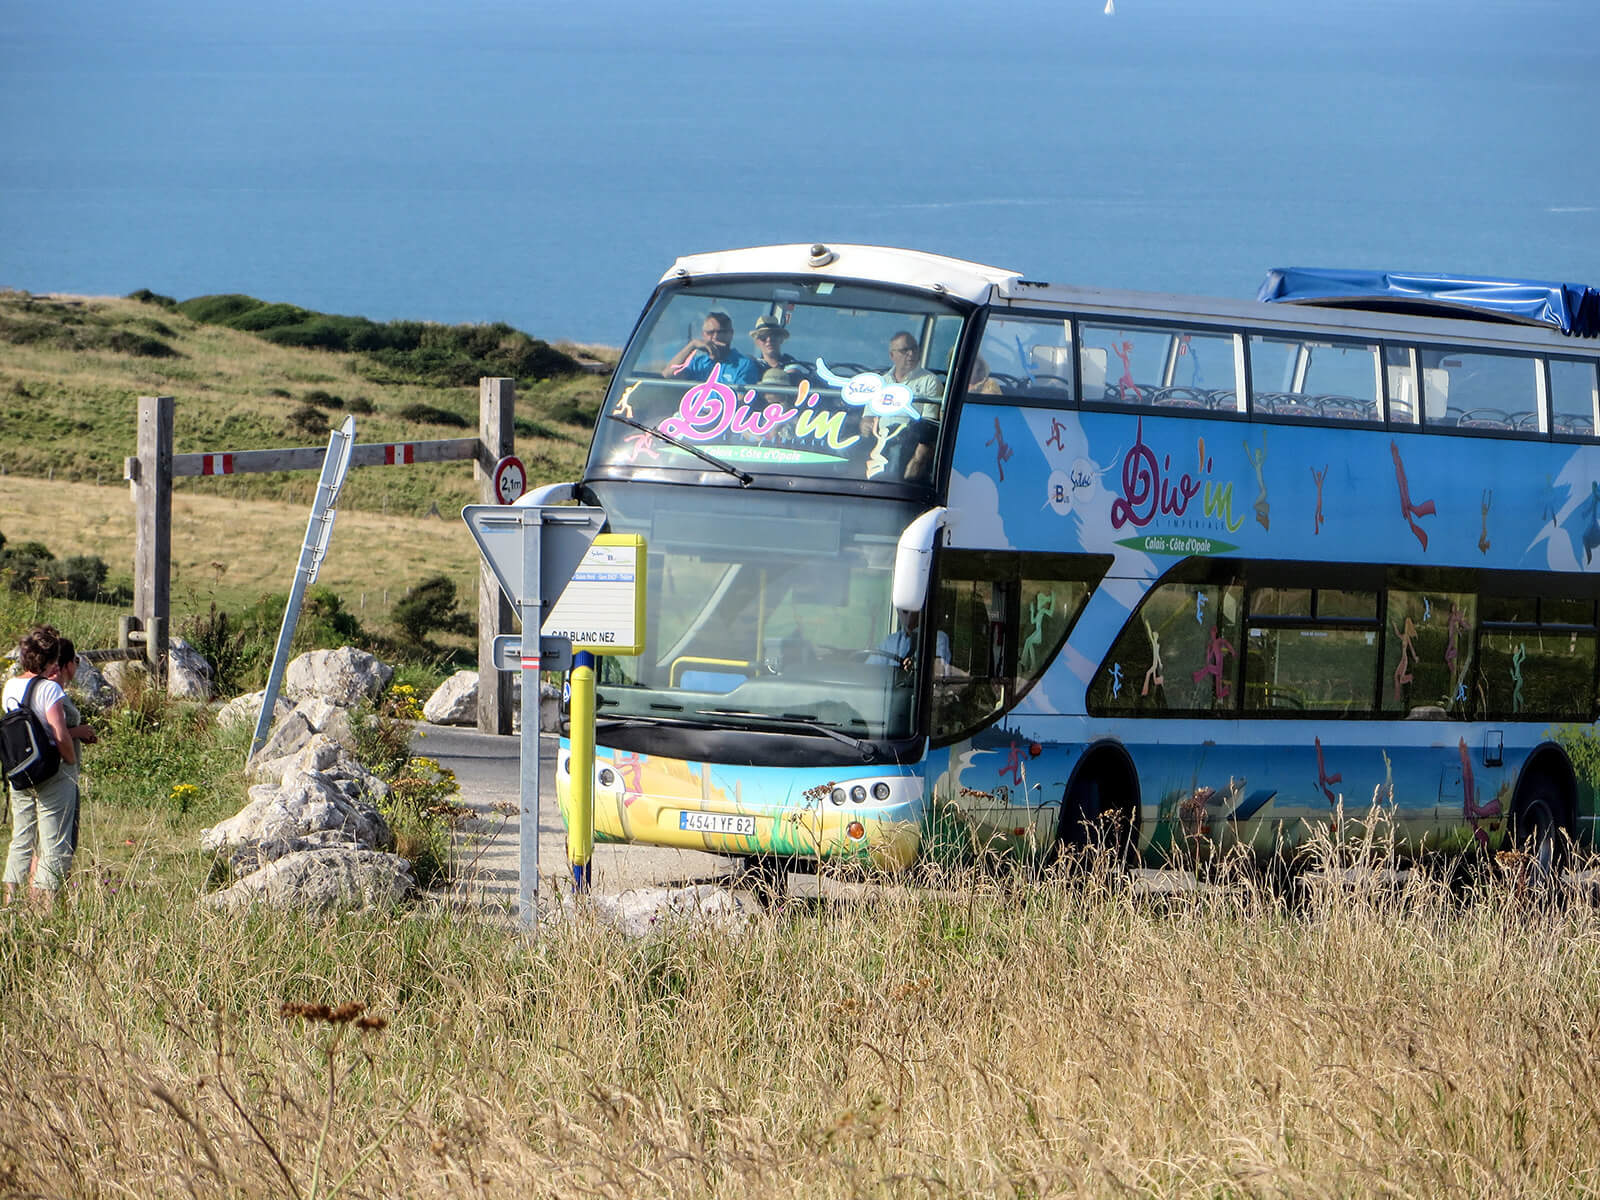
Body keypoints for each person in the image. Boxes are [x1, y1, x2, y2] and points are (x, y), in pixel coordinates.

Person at [2, 625, 81, 905]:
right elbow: (59, 734)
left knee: (21, 838)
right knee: (54, 842)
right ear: (51, 659)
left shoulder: (11, 685)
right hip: (51, 772)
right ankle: (47, 906)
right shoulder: (50, 690)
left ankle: (10, 901)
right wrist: (70, 761)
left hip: (20, 771)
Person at [664, 310, 762, 386]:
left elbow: (742, 401)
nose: (715, 337)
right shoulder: (697, 362)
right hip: (693, 411)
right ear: (703, 335)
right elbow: (668, 375)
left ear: (730, 334)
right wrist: (692, 345)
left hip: (726, 412)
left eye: (721, 332)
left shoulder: (743, 364)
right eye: (710, 332)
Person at [868, 609, 952, 674]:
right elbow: (869, 671)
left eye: (910, 608)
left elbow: (938, 670)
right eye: (904, 610)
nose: (907, 614)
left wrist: (915, 665)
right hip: (889, 693)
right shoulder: (890, 641)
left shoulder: (937, 638)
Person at [749, 314, 811, 384]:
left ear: (781, 339)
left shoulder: (791, 363)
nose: (769, 340)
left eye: (773, 336)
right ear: (757, 342)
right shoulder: (750, 365)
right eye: (763, 337)